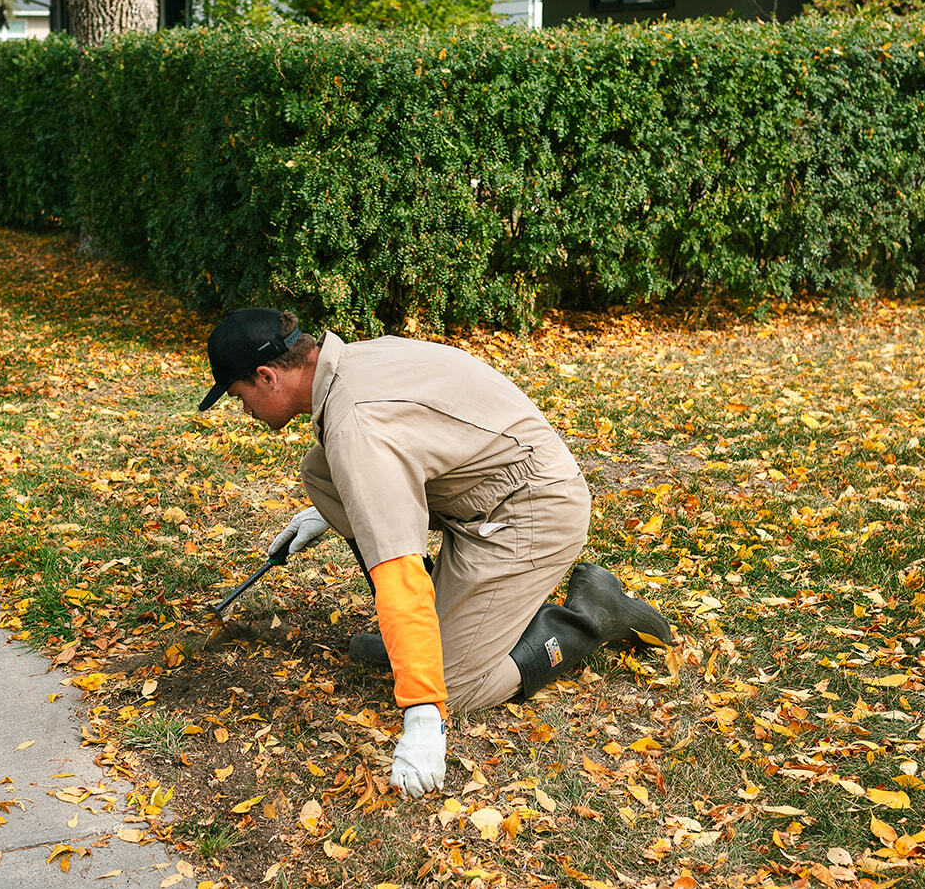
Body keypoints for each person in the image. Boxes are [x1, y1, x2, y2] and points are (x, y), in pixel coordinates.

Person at [198, 308, 674, 797]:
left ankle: (590, 615)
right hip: (493, 489)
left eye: (240, 398)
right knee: (322, 469)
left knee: (458, 686)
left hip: (531, 509)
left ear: (267, 376)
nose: (245, 412)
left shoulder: (355, 424)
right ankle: (425, 633)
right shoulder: (354, 363)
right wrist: (331, 508)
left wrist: (423, 718)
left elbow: (398, 570)